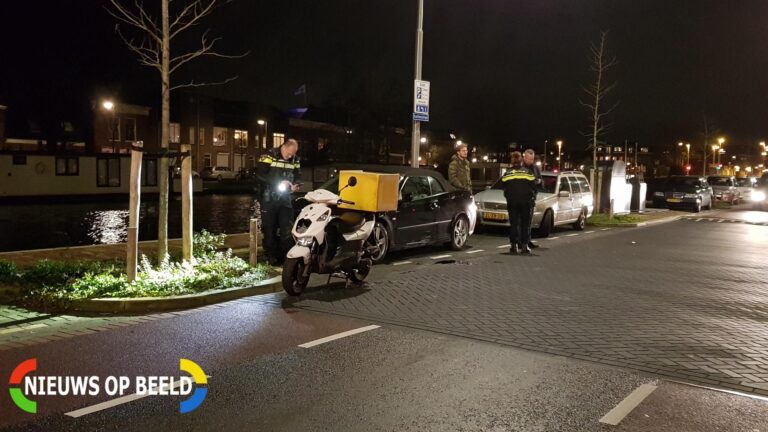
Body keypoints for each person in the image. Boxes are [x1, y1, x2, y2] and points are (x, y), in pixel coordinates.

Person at [256, 139, 301, 265]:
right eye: (289, 153)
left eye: (293, 154)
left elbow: (298, 175)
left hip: (286, 198)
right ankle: (271, 255)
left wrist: (296, 184)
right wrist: (278, 182)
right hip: (269, 197)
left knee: (287, 227)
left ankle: (286, 255)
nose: (290, 156)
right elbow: (260, 174)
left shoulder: (295, 159)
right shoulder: (269, 155)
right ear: (283, 147)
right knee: (269, 228)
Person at [502, 151, 537, 254]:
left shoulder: (508, 173)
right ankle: (524, 247)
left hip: (512, 202)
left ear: (512, 161)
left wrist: (508, 195)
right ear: (521, 161)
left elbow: (503, 185)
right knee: (525, 224)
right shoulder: (528, 173)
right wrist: (532, 196)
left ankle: (513, 246)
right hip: (525, 202)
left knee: (514, 224)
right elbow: (534, 187)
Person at [523, 149, 542, 249]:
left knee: (529, 221)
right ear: (524, 157)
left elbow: (540, 180)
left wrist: (538, 182)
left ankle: (527, 241)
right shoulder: (520, 168)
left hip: (531, 198)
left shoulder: (535, 168)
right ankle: (520, 242)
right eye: (529, 159)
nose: (531, 161)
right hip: (521, 198)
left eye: (532, 159)